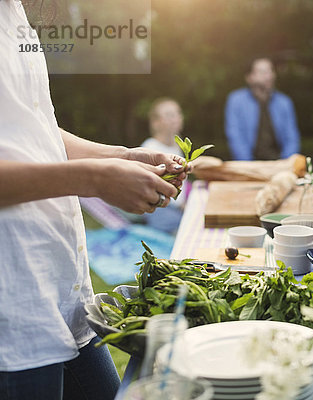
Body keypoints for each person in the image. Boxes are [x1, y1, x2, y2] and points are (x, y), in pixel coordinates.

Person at [0, 1, 189, 398]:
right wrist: (94, 178)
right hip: (13, 312)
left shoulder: (15, 13)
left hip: (64, 293)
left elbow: (37, 132)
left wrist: (123, 156)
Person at [225, 57, 301, 161]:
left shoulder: (284, 102)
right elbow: (235, 136)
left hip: (278, 161)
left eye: (271, 71)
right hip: (248, 163)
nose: (268, 76)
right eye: (262, 72)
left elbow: (292, 138)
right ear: (249, 77)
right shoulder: (236, 100)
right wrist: (248, 165)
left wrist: (286, 163)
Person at [141, 97, 186, 234]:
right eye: (169, 115)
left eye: (177, 114)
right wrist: (181, 205)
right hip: (160, 207)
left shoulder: (178, 146)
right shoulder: (149, 148)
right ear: (155, 123)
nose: (175, 118)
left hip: (177, 206)